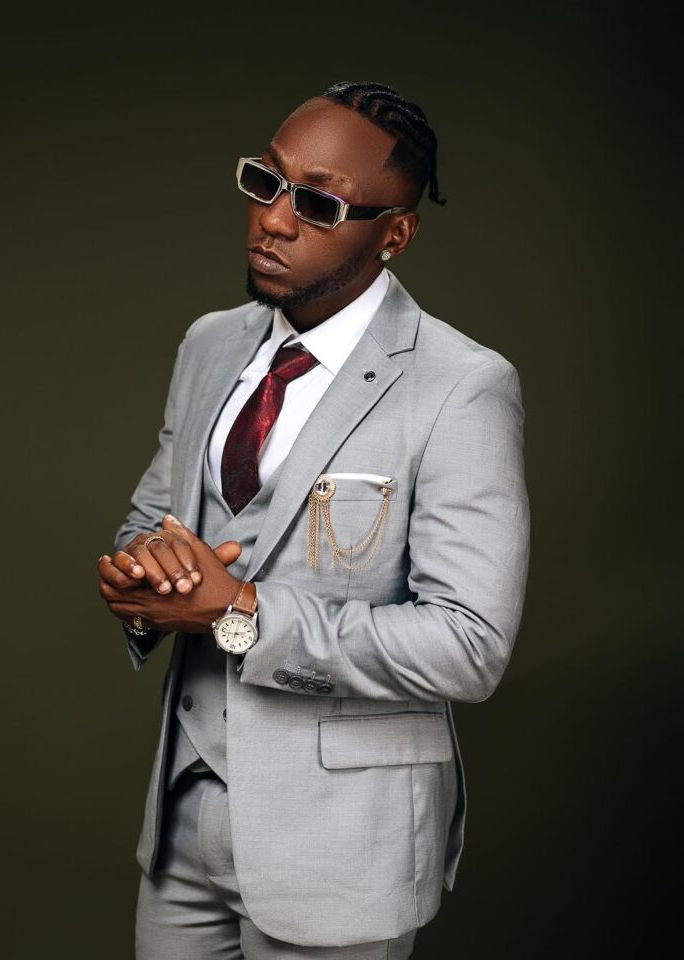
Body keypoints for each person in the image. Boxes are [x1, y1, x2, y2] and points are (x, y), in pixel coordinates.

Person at [97, 80, 530, 960]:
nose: (273, 220)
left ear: (394, 234)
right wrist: (141, 578)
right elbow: (152, 520)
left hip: (339, 844)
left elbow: (468, 644)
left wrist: (238, 612)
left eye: (320, 204)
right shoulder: (210, 343)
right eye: (266, 181)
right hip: (182, 824)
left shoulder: (462, 386)